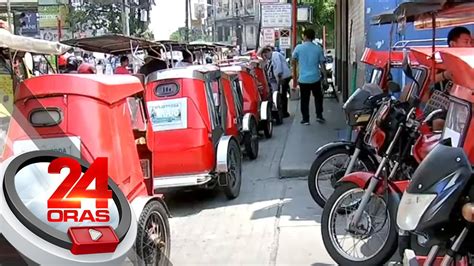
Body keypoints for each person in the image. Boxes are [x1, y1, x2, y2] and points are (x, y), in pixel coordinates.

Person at [292, 29, 328, 125]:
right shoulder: (318, 49)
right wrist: (325, 78)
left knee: (304, 99)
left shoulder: (298, 48)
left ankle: (305, 119)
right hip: (315, 78)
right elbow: (322, 64)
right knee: (318, 97)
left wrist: (295, 75)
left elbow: (293, 60)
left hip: (303, 79)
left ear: (305, 36)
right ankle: (319, 116)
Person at [261, 46, 292, 118]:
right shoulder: (274, 56)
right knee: (283, 94)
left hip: (283, 77)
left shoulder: (275, 55)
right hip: (284, 76)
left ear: (268, 52)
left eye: (266, 55)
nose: (266, 57)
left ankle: (284, 112)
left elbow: (278, 68)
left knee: (282, 95)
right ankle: (284, 112)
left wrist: (279, 80)